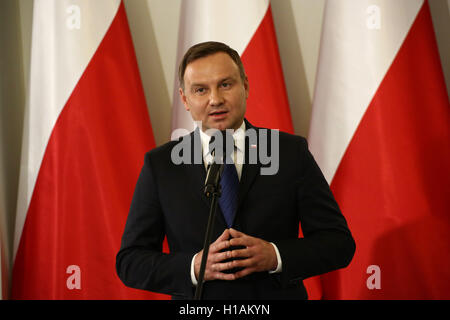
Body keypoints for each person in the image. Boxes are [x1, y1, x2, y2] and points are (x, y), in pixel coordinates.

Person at [116, 41, 355, 300]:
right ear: (185, 99)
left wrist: (275, 256)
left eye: (226, 85)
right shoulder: (161, 165)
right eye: (200, 90)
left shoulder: (289, 153)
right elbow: (131, 262)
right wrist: (194, 267)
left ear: (246, 86)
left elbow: (338, 243)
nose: (215, 99)